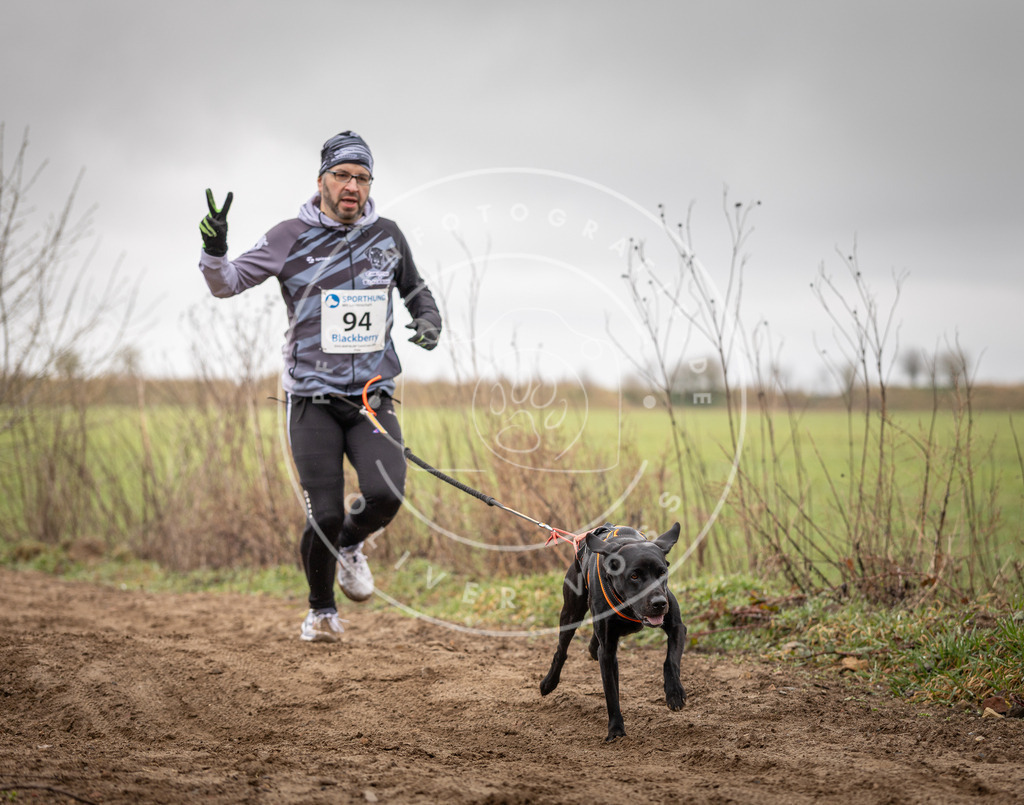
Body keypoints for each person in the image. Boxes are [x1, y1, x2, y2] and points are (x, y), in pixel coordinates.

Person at [197, 130, 442, 642]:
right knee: (324, 513)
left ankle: (352, 546)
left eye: (362, 177)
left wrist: (429, 319)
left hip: (371, 398)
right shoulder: (290, 235)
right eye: (342, 175)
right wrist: (213, 248)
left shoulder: (388, 235)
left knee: (387, 492)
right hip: (311, 402)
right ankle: (321, 611)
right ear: (322, 181)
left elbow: (415, 289)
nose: (352, 185)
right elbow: (227, 283)